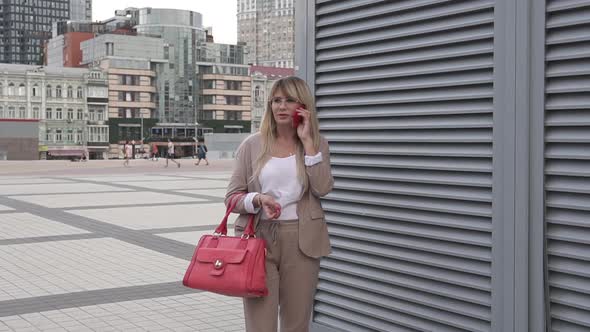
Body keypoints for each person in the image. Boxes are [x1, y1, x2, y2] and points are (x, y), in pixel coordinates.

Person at [225, 76, 333, 332]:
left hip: (302, 240)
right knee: (260, 325)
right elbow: (232, 197)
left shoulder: (317, 144)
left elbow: (323, 188)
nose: (281, 107)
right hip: (258, 240)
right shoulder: (252, 145)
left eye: (289, 100)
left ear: (302, 105)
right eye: (276, 100)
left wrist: (308, 144)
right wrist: (257, 200)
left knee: (296, 324)